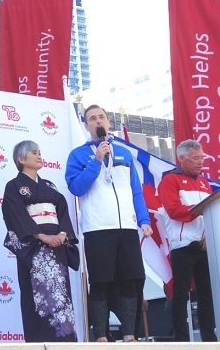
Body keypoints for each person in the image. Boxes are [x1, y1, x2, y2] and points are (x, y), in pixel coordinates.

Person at [65, 104, 152, 343]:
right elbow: (76, 187)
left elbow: (136, 191)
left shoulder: (123, 153)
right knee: (100, 282)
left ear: (108, 122)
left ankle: (130, 334)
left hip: (127, 227)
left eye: (101, 117)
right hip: (98, 228)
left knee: (130, 280)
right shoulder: (78, 155)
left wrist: (143, 220)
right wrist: (96, 161)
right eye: (92, 119)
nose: (98, 121)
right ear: (86, 126)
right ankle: (101, 335)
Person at [2, 140, 78, 342]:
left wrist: (62, 234)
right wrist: (41, 236)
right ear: (21, 159)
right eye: (33, 152)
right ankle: (38, 341)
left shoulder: (49, 186)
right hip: (34, 247)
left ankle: (65, 342)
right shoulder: (14, 186)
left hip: (57, 246)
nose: (39, 156)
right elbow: (16, 215)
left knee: (60, 294)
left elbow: (62, 210)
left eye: (39, 152)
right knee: (36, 295)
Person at [158, 139, 217, 342]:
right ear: (181, 158)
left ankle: (209, 338)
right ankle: (182, 340)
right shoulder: (169, 180)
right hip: (182, 244)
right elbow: (174, 210)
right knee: (181, 294)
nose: (201, 162)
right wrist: (199, 210)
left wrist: (208, 237)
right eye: (195, 158)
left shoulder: (204, 183)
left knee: (207, 294)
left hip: (204, 245)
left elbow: (210, 214)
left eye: (202, 158)